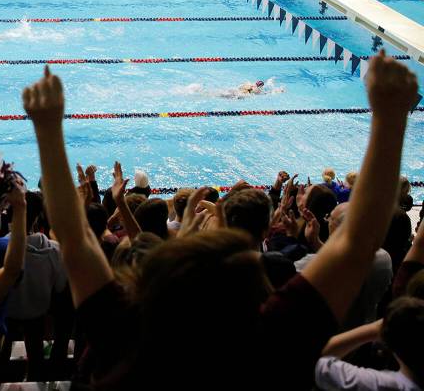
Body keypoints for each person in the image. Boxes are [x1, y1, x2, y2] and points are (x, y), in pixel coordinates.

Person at [21, 52, 419, 391]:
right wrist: (390, 116)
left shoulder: (125, 335)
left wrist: (47, 126)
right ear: (253, 285)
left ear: (156, 280)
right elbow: (357, 246)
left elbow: (74, 241)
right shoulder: (272, 343)